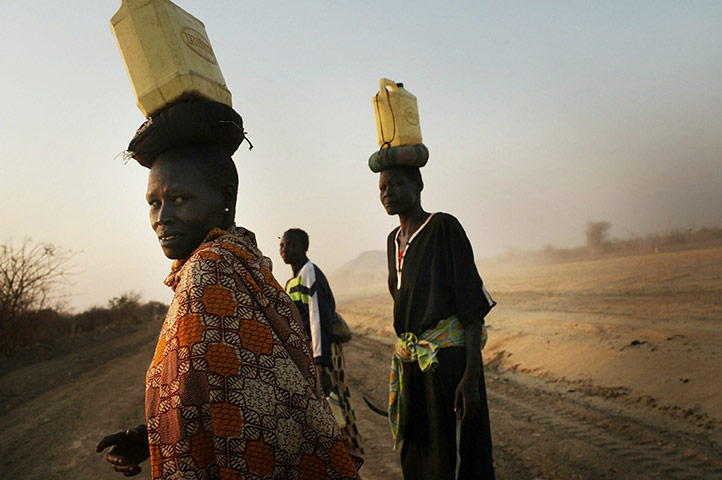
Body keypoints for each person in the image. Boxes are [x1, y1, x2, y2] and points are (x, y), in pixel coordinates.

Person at [95, 100, 361, 479]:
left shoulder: (210, 270)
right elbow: (222, 391)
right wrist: (154, 436)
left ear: (227, 200)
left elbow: (249, 411)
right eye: (154, 203)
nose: (162, 217)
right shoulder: (241, 259)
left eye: (180, 198)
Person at [377, 164, 496, 479]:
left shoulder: (443, 227)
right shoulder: (392, 241)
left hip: (448, 362)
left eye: (396, 184)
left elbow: (470, 304)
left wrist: (472, 376)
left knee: (452, 455)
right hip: (414, 363)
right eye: (382, 188)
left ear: (418, 184)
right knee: (418, 453)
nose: (387, 192)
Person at [279, 228, 364, 457]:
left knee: (334, 401)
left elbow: (317, 318)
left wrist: (320, 360)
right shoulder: (291, 281)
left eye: (291, 245)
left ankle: (347, 454)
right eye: (283, 245)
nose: (285, 250)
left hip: (323, 352)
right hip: (311, 354)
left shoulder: (309, 273)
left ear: (304, 248)